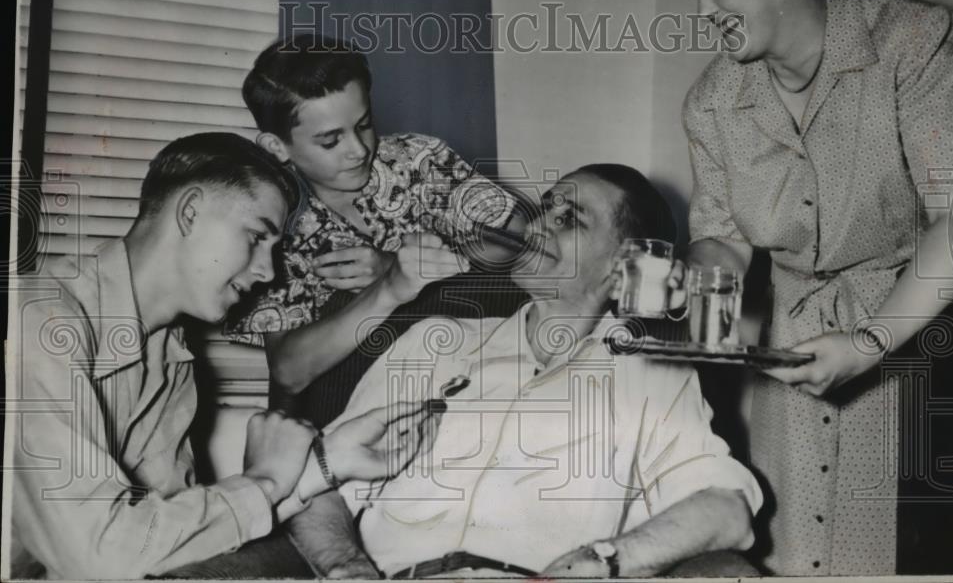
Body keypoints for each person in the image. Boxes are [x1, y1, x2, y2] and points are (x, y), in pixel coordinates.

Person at [660, 0, 953, 576]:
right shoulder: (713, 101)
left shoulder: (913, 43)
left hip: (916, 340)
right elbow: (723, 235)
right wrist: (700, 284)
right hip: (792, 355)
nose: (703, 7)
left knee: (903, 557)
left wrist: (871, 341)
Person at [286, 164, 764, 578]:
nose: (535, 227)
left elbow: (726, 508)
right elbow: (317, 484)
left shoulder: (653, 374)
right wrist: (347, 569)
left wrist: (600, 562)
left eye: (568, 219)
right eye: (544, 209)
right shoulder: (433, 344)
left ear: (624, 267)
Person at [8, 133, 429, 579]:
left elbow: (163, 542)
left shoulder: (170, 356)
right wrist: (266, 479)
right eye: (255, 236)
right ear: (190, 212)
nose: (268, 272)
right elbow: (98, 557)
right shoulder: (39, 319)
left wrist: (325, 464)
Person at [226, 35, 518, 408]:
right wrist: (387, 288)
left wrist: (404, 267)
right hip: (349, 416)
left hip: (471, 388)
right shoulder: (270, 220)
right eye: (330, 141)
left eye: (363, 125)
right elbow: (288, 371)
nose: (359, 150)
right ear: (276, 147)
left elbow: (521, 244)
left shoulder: (419, 160)